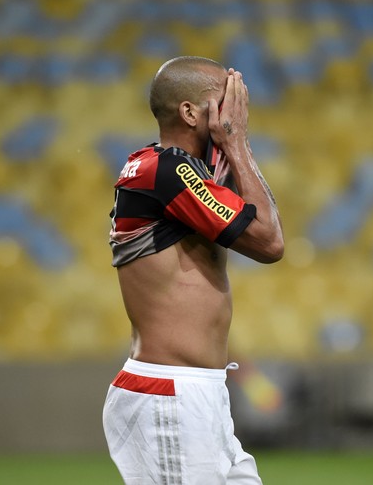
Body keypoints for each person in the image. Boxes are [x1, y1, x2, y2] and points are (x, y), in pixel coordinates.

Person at [102, 56, 284, 484]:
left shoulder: (168, 168)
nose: (234, 114)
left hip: (196, 394)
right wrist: (237, 144)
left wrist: (227, 144)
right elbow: (269, 241)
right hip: (170, 395)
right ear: (189, 112)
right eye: (225, 103)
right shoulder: (168, 170)